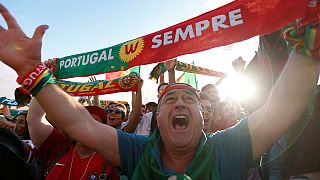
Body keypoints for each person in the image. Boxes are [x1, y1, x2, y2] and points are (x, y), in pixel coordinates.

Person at [0, 4, 319, 179]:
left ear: (202, 117)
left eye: (189, 99)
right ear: (158, 117)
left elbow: (283, 106)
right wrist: (31, 72)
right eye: (169, 99)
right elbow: (79, 124)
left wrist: (311, 38)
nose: (180, 102)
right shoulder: (136, 151)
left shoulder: (227, 149)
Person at [28, 98, 119, 180]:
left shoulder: (109, 162)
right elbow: (35, 118)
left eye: (94, 122)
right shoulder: (59, 145)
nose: (87, 125)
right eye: (83, 121)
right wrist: (45, 82)